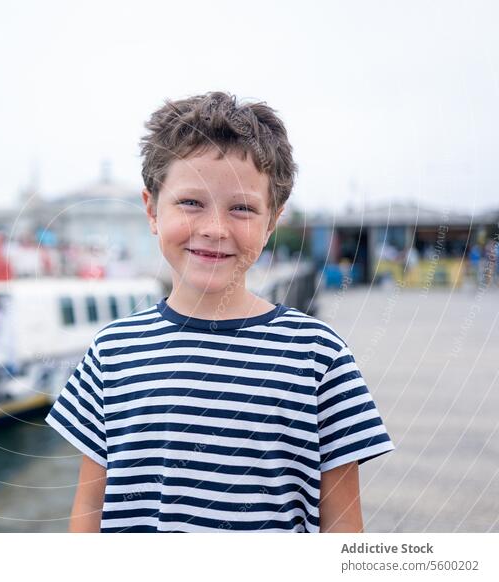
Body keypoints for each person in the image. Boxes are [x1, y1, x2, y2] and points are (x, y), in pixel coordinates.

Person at [45, 91, 395, 533]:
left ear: (272, 221)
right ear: (152, 208)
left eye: (243, 209)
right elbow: (88, 512)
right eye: (191, 202)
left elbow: (344, 532)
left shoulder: (320, 359)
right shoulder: (111, 353)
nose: (214, 229)